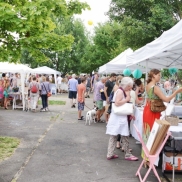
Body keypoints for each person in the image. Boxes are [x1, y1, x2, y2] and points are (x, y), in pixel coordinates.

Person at [142, 69, 182, 161]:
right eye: (159, 75)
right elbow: (166, 99)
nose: (160, 77)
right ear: (153, 76)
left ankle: (146, 158)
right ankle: (150, 159)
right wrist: (176, 92)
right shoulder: (155, 87)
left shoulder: (148, 85)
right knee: (154, 134)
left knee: (147, 133)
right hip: (153, 112)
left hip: (147, 110)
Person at [106, 77, 138, 161]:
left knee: (114, 135)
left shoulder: (120, 90)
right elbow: (117, 103)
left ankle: (110, 153)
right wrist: (127, 99)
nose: (130, 88)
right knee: (124, 135)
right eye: (129, 87)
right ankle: (127, 154)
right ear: (126, 85)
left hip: (117, 117)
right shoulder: (120, 91)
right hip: (120, 118)